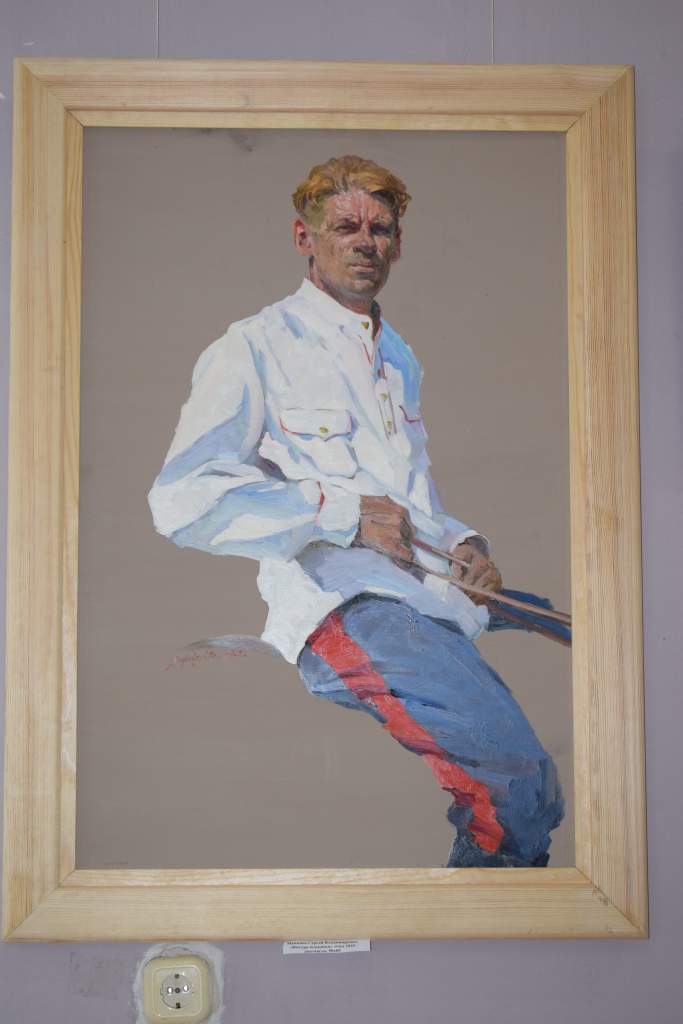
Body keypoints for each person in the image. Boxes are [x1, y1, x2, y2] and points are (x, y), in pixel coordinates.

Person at [148, 155, 564, 867]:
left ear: (398, 243)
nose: (365, 242)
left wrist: (466, 543)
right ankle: (478, 922)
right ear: (304, 238)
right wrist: (335, 512)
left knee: (590, 627)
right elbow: (179, 502)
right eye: (345, 227)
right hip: (345, 604)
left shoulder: (396, 355)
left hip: (426, 592)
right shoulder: (253, 346)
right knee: (518, 787)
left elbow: (410, 498)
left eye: (380, 229)